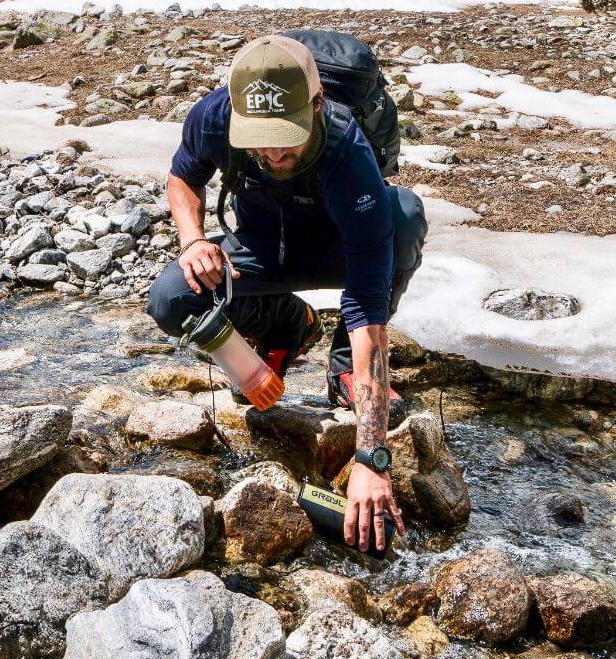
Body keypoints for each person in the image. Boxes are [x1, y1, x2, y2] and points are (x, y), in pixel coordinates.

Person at [148, 33, 427, 553]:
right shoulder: (214, 115)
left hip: (335, 247)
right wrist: (192, 241)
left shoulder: (349, 154)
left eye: (287, 135)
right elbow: (182, 176)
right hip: (258, 245)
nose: (273, 151)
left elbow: (368, 308)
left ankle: (341, 367)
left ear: (317, 107)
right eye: (260, 137)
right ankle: (285, 324)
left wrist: (372, 456)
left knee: (404, 215)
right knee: (170, 297)